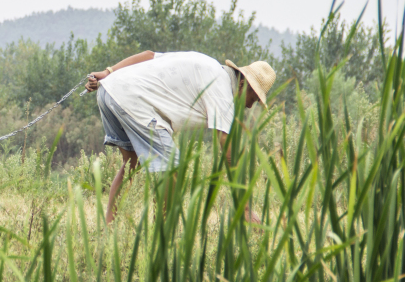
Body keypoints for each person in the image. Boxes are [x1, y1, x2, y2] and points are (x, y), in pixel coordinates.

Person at [84, 50, 275, 224]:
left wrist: (109, 72)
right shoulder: (222, 90)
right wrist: (246, 208)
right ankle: (164, 233)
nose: (251, 106)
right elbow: (227, 146)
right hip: (133, 101)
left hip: (109, 92)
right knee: (173, 168)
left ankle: (108, 227)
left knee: (131, 163)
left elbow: (149, 55)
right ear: (243, 84)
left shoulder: (208, 65)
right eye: (255, 99)